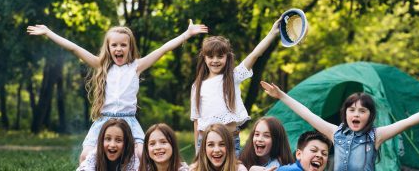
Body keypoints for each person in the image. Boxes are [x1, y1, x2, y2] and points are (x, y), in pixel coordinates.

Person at [27, 20, 208, 163]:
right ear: (109, 48)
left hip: (128, 121)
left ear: (130, 47)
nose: (119, 49)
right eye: (114, 45)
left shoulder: (137, 66)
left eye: (123, 45)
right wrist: (48, 33)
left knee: (139, 154)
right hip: (104, 120)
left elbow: (164, 48)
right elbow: (74, 48)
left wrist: (187, 33)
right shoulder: (101, 65)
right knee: (86, 157)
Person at [261, 81, 419, 170]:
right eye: (352, 110)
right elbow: (307, 113)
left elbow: (407, 121)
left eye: (362, 111)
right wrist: (281, 95)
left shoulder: (376, 135)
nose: (356, 114)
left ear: (369, 116)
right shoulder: (336, 133)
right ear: (345, 113)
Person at [190, 17, 282, 155]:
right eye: (211, 56)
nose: (215, 60)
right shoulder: (197, 86)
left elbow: (255, 54)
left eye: (220, 56)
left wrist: (272, 33)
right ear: (204, 58)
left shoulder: (233, 77)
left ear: (227, 57)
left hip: (230, 142)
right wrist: (198, 151)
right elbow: (197, 121)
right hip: (205, 143)